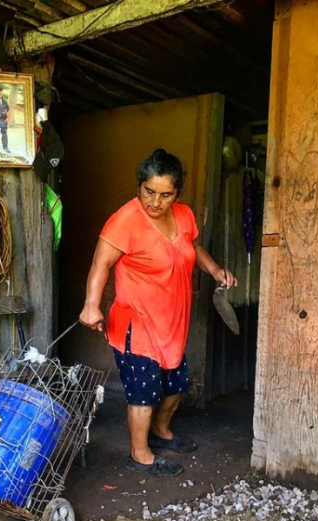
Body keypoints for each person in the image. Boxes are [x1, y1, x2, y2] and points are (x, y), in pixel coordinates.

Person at [80, 149, 237, 478]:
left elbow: (192, 246)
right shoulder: (124, 221)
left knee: (177, 386)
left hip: (171, 324)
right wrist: (91, 306)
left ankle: (161, 432)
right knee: (144, 393)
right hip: (136, 325)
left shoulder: (183, 215)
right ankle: (140, 454)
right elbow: (100, 264)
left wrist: (215, 270)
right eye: (149, 191)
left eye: (165, 194)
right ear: (139, 186)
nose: (155, 202)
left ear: (177, 193)